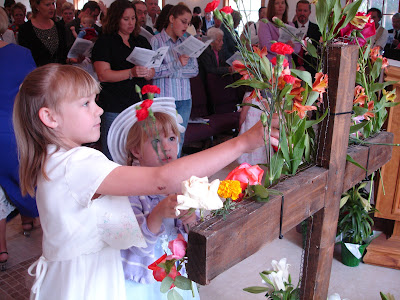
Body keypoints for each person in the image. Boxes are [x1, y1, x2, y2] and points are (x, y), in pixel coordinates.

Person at [13, 63, 278, 299]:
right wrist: (241, 143)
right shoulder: (76, 163)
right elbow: (162, 180)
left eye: (95, 100)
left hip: (75, 273)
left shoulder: (56, 159)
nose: (99, 110)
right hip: (88, 281)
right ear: (50, 117)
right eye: (86, 104)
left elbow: (113, 230)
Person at [107, 99, 200, 299]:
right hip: (142, 274)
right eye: (157, 141)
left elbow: (197, 232)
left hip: (176, 269)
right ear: (136, 151)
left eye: (172, 139)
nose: (167, 147)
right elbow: (136, 246)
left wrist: (190, 218)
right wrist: (157, 213)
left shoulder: (182, 183)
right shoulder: (129, 188)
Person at [0, 7, 38, 271]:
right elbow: (33, 94)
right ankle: (28, 220)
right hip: (12, 131)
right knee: (24, 174)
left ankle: (1, 249)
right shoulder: (21, 55)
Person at [92, 0, 155, 159]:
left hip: (139, 105)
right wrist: (131, 73)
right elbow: (103, 74)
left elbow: (153, 69)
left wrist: (148, 73)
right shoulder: (105, 42)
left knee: (139, 152)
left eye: (133, 18)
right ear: (115, 19)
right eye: (126, 19)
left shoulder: (141, 40)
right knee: (114, 152)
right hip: (115, 105)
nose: (131, 23)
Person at [151, 3, 198, 155]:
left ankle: (174, 170)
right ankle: (162, 172)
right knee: (163, 137)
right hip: (164, 96)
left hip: (184, 96)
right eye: (183, 21)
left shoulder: (187, 41)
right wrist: (177, 64)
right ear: (172, 18)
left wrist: (171, 69)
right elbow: (152, 72)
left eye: (189, 23)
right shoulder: (156, 41)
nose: (186, 26)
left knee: (180, 137)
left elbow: (194, 70)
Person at [18, 0, 67, 66]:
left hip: (59, 73)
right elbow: (25, 58)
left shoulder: (59, 27)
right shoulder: (25, 29)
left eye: (53, 4)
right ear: (37, 6)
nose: (52, 7)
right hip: (37, 74)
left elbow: (64, 56)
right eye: (47, 5)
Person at [258, 0, 301, 68]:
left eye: (282, 3)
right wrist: (285, 47)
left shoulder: (291, 25)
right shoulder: (265, 23)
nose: (280, 6)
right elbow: (266, 45)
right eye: (277, 3)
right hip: (270, 65)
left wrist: (291, 46)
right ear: (272, 6)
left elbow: (297, 47)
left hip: (287, 65)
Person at [293, 0, 321, 78]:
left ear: (309, 12)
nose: (302, 13)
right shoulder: (290, 27)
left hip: (310, 73)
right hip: (292, 71)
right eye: (300, 10)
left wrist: (306, 68)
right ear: (296, 11)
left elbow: (318, 53)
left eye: (305, 11)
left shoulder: (317, 30)